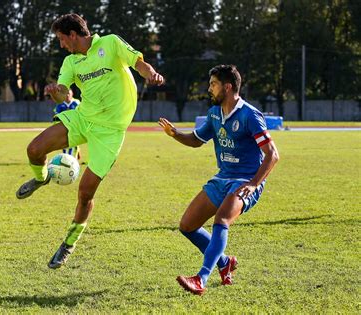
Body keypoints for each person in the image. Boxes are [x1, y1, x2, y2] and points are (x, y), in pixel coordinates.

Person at [16, 13, 165, 269]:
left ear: (73, 34)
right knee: (34, 149)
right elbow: (63, 97)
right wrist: (55, 92)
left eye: (62, 39)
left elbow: (138, 62)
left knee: (85, 193)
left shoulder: (110, 43)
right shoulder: (70, 62)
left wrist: (151, 74)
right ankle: (41, 178)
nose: (61, 45)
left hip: (110, 132)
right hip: (83, 118)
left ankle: (68, 244)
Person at [158, 64, 279, 295]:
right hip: (223, 178)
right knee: (188, 226)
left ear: (228, 86)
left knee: (222, 219)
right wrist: (175, 134)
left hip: (245, 181)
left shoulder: (249, 115)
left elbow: (273, 155)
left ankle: (201, 278)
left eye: (213, 84)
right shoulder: (214, 114)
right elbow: (196, 140)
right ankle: (224, 262)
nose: (209, 89)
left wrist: (253, 184)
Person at [51, 89, 81, 159]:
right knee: (64, 140)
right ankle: (65, 155)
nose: (67, 95)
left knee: (72, 141)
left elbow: (81, 113)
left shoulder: (76, 102)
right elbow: (56, 114)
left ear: (72, 94)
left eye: (69, 94)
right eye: (66, 94)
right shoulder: (60, 104)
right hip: (64, 125)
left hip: (74, 126)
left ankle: (70, 157)